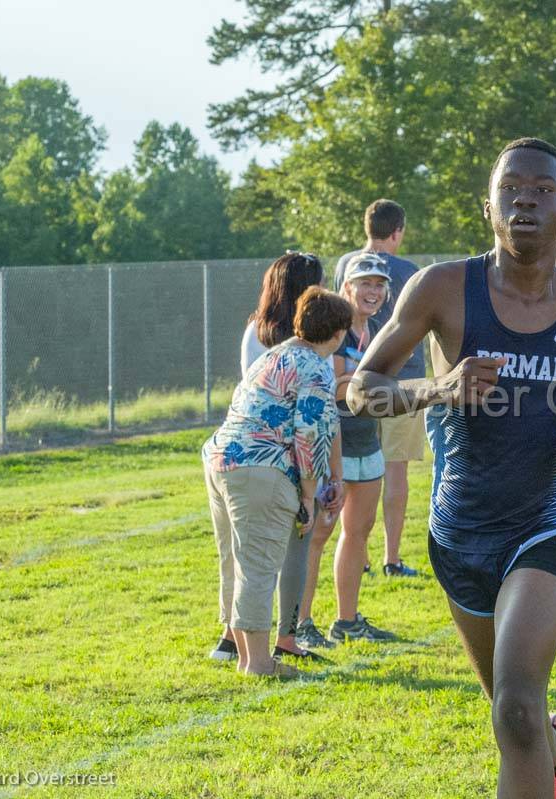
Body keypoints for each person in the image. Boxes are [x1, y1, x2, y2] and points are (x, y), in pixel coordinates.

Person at [347, 138, 556, 799]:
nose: (524, 198)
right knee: (513, 714)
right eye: (510, 189)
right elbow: (361, 388)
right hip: (462, 532)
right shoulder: (443, 287)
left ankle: (540, 736)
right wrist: (438, 390)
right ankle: (553, 747)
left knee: (516, 707)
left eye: (540, 189)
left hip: (550, 523)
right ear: (489, 207)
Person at [202, 286, 349, 678]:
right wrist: (308, 492)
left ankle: (238, 647)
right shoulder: (318, 368)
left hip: (221, 458)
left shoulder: (275, 354)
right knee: (260, 565)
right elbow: (309, 433)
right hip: (260, 466)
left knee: (235, 561)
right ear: (337, 334)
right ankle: (257, 663)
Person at [298, 254, 398, 647]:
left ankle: (347, 620)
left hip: (367, 441)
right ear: (346, 287)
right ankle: (300, 622)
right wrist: (372, 382)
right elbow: (338, 388)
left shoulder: (378, 329)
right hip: (333, 446)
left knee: (358, 532)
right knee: (317, 534)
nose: (373, 292)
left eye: (379, 284)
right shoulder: (336, 329)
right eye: (365, 283)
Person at [335, 199, 424, 578]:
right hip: (403, 380)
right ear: (398, 231)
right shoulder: (410, 271)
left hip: (357, 384)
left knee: (359, 472)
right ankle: (392, 556)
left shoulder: (344, 264)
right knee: (395, 470)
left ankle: (360, 554)